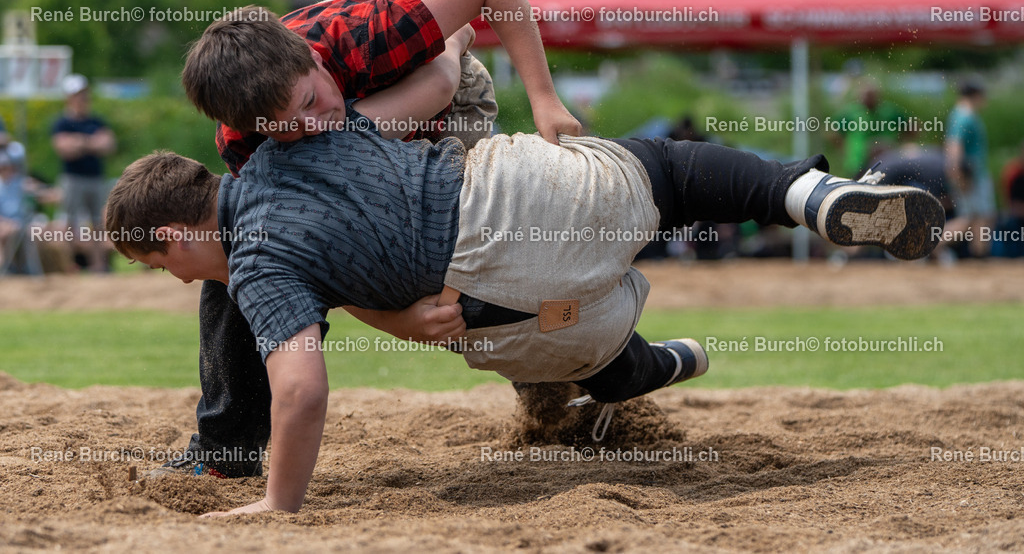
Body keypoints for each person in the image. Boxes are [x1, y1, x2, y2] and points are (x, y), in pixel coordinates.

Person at [105, 107, 945, 516]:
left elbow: (300, 391)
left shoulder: (254, 261)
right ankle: (811, 193)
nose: (178, 281)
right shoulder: (297, 135)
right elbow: (437, 69)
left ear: (176, 232)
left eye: (160, 263)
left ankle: (668, 360)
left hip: (517, 313)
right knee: (674, 168)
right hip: (532, 193)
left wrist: (279, 505)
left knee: (585, 357)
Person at [160, 0, 582, 479]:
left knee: (471, 260)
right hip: (396, 106)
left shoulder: (366, 34)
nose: (315, 126)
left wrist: (542, 98)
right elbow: (307, 254)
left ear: (316, 60)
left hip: (442, 109)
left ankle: (581, 377)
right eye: (288, 128)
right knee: (238, 261)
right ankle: (224, 452)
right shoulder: (245, 144)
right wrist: (396, 322)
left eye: (311, 102)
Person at [51, 74, 117, 272]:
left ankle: (99, 264)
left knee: (98, 223)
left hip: (95, 178)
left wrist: (79, 142)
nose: (82, 98)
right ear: (69, 97)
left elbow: (108, 145)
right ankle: (69, 265)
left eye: (83, 94)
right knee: (69, 223)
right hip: (73, 179)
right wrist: (92, 143)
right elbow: (64, 149)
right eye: (77, 95)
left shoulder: (97, 121)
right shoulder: (62, 122)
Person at [944, 81, 995, 257]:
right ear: (976, 95)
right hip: (970, 176)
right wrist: (958, 174)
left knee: (977, 218)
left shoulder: (961, 115)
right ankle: (930, 245)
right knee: (973, 218)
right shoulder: (965, 116)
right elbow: (954, 146)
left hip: (972, 175)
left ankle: (980, 255)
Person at [830, 79, 907, 178]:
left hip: (885, 160)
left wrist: (897, 145)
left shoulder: (888, 111)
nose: (868, 98)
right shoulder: (851, 112)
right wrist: (846, 149)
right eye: (865, 95)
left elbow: (911, 127)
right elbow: (833, 131)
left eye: (871, 95)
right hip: (857, 163)